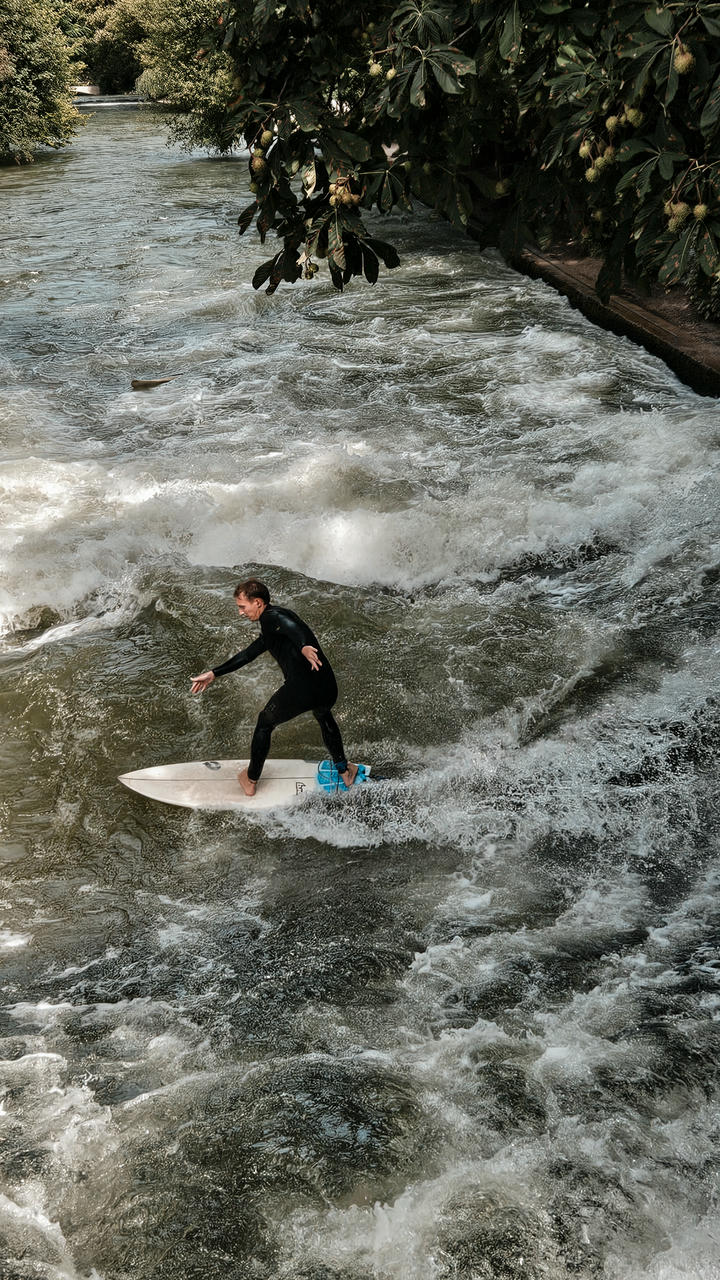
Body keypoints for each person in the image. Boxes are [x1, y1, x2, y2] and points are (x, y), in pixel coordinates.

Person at [191, 578, 358, 796]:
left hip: (301, 689)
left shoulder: (271, 617)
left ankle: (251, 780)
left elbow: (294, 628)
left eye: (242, 607)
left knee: (264, 723)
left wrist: (304, 645)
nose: (240, 613)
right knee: (324, 716)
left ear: (257, 602)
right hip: (327, 687)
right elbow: (249, 653)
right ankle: (344, 771)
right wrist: (214, 673)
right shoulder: (275, 624)